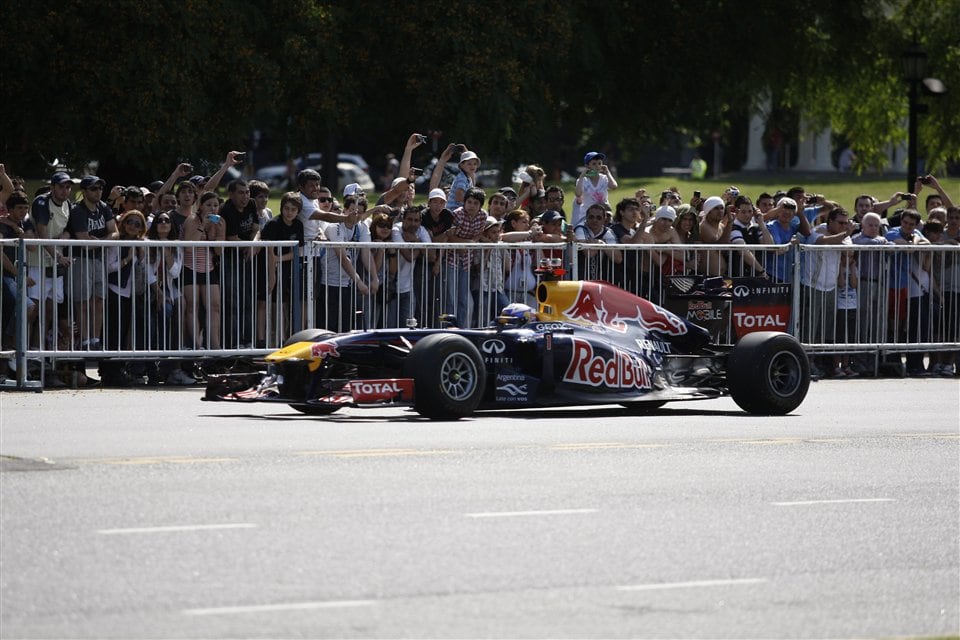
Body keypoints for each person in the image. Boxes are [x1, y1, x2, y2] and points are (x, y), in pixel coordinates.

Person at [24, 172, 76, 356]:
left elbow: (69, 230)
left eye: (68, 187)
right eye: (61, 186)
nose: (65, 190)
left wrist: (63, 239)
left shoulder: (68, 205)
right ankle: (24, 352)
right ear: (52, 187)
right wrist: (59, 256)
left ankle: (38, 352)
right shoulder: (41, 202)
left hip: (54, 266)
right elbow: (42, 234)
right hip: (37, 263)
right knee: (33, 311)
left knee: (49, 311)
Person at [800, 207, 853, 378]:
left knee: (823, 330)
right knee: (810, 328)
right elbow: (822, 241)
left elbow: (849, 252)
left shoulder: (844, 235)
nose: (843, 226)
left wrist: (843, 236)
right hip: (812, 285)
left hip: (830, 287)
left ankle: (817, 363)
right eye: (840, 223)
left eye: (845, 223)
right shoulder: (818, 230)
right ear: (830, 221)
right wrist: (843, 235)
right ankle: (807, 364)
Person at [100, 210, 151, 386]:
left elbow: (144, 268)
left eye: (137, 224)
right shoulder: (117, 241)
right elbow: (109, 267)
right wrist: (127, 259)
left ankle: (118, 369)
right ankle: (108, 371)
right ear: (124, 223)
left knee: (124, 332)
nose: (133, 226)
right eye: (130, 222)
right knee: (113, 332)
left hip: (131, 292)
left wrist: (141, 255)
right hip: (115, 290)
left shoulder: (141, 243)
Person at [68, 175, 118, 350]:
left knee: (98, 301)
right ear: (84, 191)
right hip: (81, 260)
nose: (98, 192)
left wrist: (100, 241)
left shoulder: (103, 207)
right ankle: (84, 341)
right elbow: (84, 242)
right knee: (82, 302)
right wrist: (105, 241)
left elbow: (115, 233)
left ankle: (95, 340)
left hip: (98, 259)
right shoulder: (77, 210)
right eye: (93, 189)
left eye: (100, 188)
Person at [144, 211, 192, 385]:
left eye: (167, 220)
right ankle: (156, 365)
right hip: (150, 289)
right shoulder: (147, 243)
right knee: (164, 312)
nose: (163, 223)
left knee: (179, 307)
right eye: (160, 220)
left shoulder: (175, 245)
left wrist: (166, 251)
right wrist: (158, 293)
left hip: (169, 288)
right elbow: (147, 272)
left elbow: (175, 272)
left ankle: (173, 365)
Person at [317, 195, 375, 332]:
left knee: (347, 326)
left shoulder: (362, 227)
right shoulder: (335, 227)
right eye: (352, 211)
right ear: (345, 210)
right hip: (330, 283)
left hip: (348, 283)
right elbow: (342, 257)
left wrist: (375, 278)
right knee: (329, 327)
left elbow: (366, 253)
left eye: (359, 212)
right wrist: (359, 281)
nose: (355, 215)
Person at [181, 191, 225, 350]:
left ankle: (215, 346)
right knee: (193, 306)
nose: (213, 208)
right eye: (209, 205)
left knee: (215, 306)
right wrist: (203, 226)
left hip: (208, 268)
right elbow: (188, 247)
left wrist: (218, 232)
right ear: (200, 206)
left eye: (216, 205)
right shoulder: (192, 219)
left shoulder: (220, 221)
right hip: (190, 267)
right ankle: (196, 345)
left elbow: (218, 252)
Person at [258, 192, 304, 345]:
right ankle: (262, 340)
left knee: (282, 304)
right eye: (286, 208)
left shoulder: (298, 225)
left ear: (298, 211)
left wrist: (279, 259)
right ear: (282, 208)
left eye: (293, 209)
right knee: (264, 303)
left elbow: (296, 252)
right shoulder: (273, 224)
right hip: (266, 267)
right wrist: (272, 275)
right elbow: (269, 251)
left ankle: (282, 339)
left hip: (285, 269)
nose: (289, 212)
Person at [220, 179, 261, 348]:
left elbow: (256, 228)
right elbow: (231, 238)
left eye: (247, 192)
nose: (245, 197)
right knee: (233, 300)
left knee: (248, 299)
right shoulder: (226, 209)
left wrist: (253, 244)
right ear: (231, 194)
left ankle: (248, 341)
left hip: (247, 256)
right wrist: (250, 245)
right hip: (230, 259)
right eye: (241, 193)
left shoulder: (251, 204)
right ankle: (233, 342)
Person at [851, 213, 890, 375]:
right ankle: (859, 362)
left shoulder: (882, 240)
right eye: (870, 225)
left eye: (876, 225)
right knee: (862, 324)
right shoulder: (856, 239)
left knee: (877, 324)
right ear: (863, 225)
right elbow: (864, 243)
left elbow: (892, 247)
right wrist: (882, 242)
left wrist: (884, 242)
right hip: (863, 283)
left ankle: (873, 364)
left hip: (879, 284)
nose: (874, 228)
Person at [444, 187, 487, 327]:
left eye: (475, 203)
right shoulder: (457, 214)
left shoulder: (483, 216)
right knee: (450, 298)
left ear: (480, 205)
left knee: (463, 298)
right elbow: (449, 236)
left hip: (467, 259)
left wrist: (470, 243)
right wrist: (465, 243)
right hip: (451, 257)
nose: (471, 206)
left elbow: (478, 234)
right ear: (464, 202)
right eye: (469, 202)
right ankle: (449, 328)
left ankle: (461, 328)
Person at [390, 205, 431, 328]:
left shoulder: (421, 231)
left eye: (416, 220)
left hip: (408, 288)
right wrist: (420, 246)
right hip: (390, 287)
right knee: (389, 326)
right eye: (409, 219)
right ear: (403, 219)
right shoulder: (396, 229)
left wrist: (416, 241)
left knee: (407, 327)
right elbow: (409, 256)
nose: (413, 223)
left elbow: (431, 255)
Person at [472, 216, 510, 326]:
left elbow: (507, 267)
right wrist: (488, 249)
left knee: (507, 313)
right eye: (493, 232)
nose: (497, 235)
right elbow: (480, 269)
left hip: (497, 287)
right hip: (482, 288)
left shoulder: (500, 246)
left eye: (498, 232)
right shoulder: (478, 247)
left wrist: (502, 248)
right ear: (485, 234)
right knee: (482, 319)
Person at [364, 210, 397, 329]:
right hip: (367, 287)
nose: (385, 229)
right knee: (367, 322)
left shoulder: (388, 242)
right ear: (374, 226)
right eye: (382, 225)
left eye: (388, 226)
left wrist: (392, 252)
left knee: (376, 321)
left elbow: (393, 271)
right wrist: (381, 250)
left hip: (381, 288)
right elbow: (375, 268)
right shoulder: (370, 242)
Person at [574, 203, 622, 284]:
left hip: (601, 278)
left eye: (599, 218)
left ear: (604, 219)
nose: (594, 220)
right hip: (580, 278)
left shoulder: (608, 232)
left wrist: (601, 244)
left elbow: (618, 258)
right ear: (586, 218)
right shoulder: (580, 228)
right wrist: (605, 248)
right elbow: (589, 253)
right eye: (591, 217)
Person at [499, 209, 537, 307]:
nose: (527, 225)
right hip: (509, 292)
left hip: (528, 293)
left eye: (528, 223)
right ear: (513, 223)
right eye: (524, 222)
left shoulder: (528, 241)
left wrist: (537, 238)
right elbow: (503, 237)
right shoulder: (507, 239)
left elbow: (538, 262)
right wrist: (530, 233)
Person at [574, 152, 618, 228]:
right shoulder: (583, 180)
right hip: (587, 215)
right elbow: (578, 194)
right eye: (594, 164)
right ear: (587, 166)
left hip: (604, 214)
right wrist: (581, 177)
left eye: (599, 163)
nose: (597, 166)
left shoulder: (604, 178)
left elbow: (614, 186)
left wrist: (607, 173)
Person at [834, 250, 859, 377]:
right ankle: (836, 365)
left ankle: (846, 365)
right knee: (840, 336)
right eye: (846, 256)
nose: (848, 259)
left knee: (850, 337)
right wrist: (840, 267)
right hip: (841, 306)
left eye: (851, 256)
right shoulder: (838, 269)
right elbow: (841, 283)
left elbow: (854, 285)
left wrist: (853, 268)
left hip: (852, 306)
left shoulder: (854, 269)